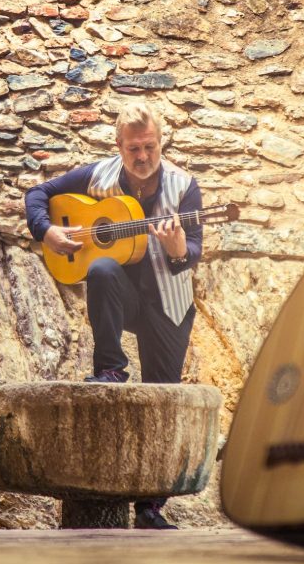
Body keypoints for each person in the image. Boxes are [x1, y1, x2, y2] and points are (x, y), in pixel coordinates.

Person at [25, 101, 203, 530]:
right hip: (122, 295)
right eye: (133, 149)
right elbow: (37, 194)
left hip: (168, 302)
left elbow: (194, 247)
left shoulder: (183, 186)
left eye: (150, 147)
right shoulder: (99, 176)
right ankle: (110, 368)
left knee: (163, 400)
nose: (142, 157)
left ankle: (150, 507)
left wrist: (179, 250)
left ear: (161, 142)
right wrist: (48, 230)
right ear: (119, 146)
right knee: (102, 267)